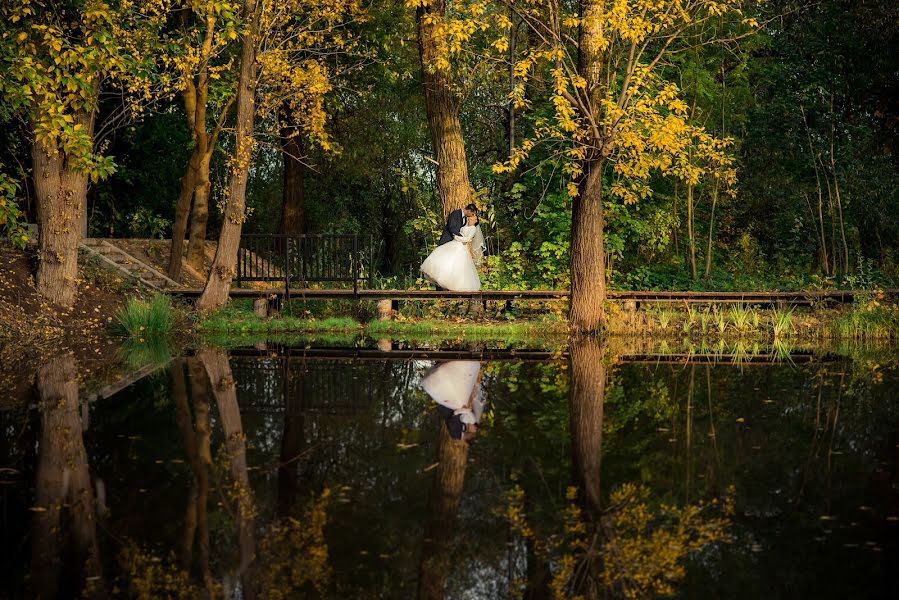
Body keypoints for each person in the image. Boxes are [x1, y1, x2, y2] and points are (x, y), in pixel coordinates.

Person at [420, 203, 486, 292]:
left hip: (458, 245)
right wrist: (458, 236)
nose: (472, 216)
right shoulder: (456, 214)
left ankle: (448, 285)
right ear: (469, 210)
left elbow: (467, 237)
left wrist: (458, 237)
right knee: (443, 262)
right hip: (448, 241)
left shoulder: (471, 226)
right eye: (472, 213)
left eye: (474, 216)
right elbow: (451, 227)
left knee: (454, 265)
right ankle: (440, 286)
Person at [420, 360, 484, 442]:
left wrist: (462, 411)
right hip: (453, 406)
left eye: (472, 435)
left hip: (447, 408)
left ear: (468, 437)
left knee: (444, 388)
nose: (472, 433)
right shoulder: (463, 430)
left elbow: (453, 419)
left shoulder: (456, 435)